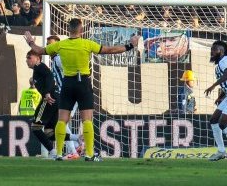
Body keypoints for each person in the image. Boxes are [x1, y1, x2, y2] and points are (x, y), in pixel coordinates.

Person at [23, 20, 140, 161]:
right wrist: (130, 45)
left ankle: (59, 153)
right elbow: (109, 50)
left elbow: (40, 50)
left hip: (67, 83)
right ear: (81, 29)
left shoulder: (61, 45)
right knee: (87, 120)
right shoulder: (87, 43)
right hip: (83, 83)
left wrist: (30, 42)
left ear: (68, 29)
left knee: (62, 120)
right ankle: (90, 154)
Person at [25, 49, 58, 158]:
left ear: (38, 58)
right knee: (49, 133)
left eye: (29, 58)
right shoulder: (37, 70)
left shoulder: (40, 66)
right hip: (54, 99)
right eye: (26, 58)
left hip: (48, 100)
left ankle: (53, 153)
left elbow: (50, 77)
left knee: (36, 127)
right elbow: (45, 78)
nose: (27, 60)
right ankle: (76, 138)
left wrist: (47, 93)